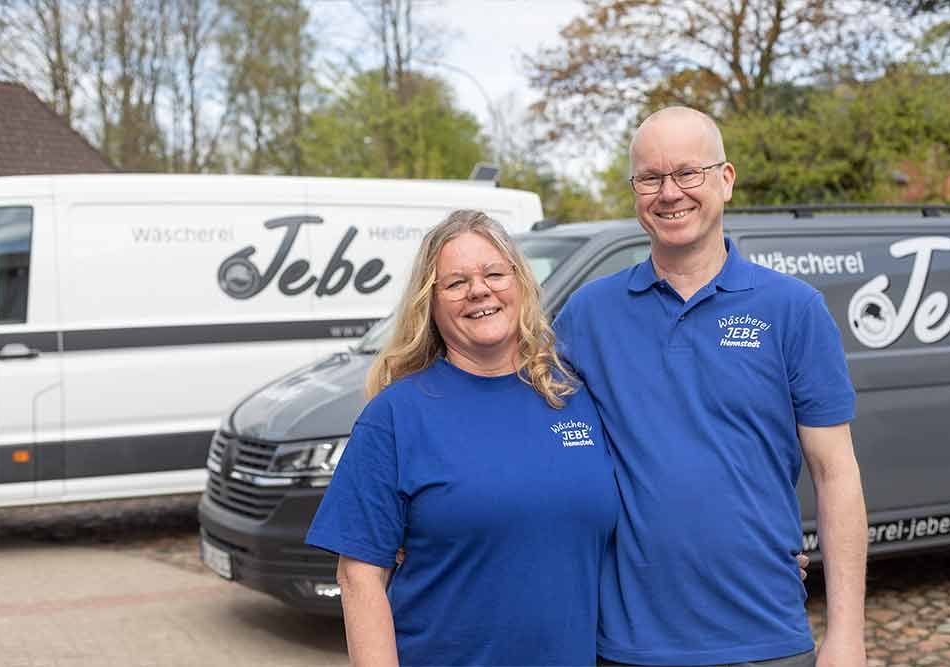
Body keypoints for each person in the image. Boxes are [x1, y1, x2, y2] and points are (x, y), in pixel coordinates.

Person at [553, 107, 868, 667]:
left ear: (725, 179)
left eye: (687, 173)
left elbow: (835, 472)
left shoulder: (793, 309)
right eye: (650, 177)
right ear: (634, 191)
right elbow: (530, 442)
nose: (669, 192)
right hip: (628, 644)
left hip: (765, 635)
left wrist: (847, 635)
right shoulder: (588, 315)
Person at [305, 209, 619, 666]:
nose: (479, 290)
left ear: (521, 283)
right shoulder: (396, 416)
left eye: (494, 274)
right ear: (429, 304)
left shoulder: (575, 397)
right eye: (455, 283)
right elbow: (360, 578)